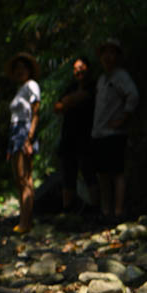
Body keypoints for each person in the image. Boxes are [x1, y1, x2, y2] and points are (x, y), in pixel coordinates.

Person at [91, 38, 139, 222]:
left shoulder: (121, 76)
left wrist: (123, 118)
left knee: (117, 172)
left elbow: (133, 95)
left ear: (117, 56)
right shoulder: (102, 79)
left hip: (115, 134)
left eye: (112, 53)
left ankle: (118, 211)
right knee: (102, 173)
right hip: (99, 132)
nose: (108, 57)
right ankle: (106, 211)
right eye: (105, 53)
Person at [53, 56, 98, 213]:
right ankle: (68, 209)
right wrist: (69, 101)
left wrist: (68, 101)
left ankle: (95, 208)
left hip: (86, 136)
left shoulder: (94, 86)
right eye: (76, 68)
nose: (78, 70)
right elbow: (57, 107)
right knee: (68, 174)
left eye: (81, 67)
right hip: (68, 136)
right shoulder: (71, 87)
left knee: (89, 172)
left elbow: (81, 97)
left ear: (88, 68)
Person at [6, 53, 41, 233]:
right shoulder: (21, 89)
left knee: (25, 178)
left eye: (23, 68)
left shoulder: (31, 85)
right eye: (17, 68)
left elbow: (36, 111)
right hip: (15, 132)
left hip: (23, 131)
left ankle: (26, 222)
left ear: (29, 70)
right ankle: (23, 219)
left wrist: (29, 137)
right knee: (19, 179)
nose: (20, 71)